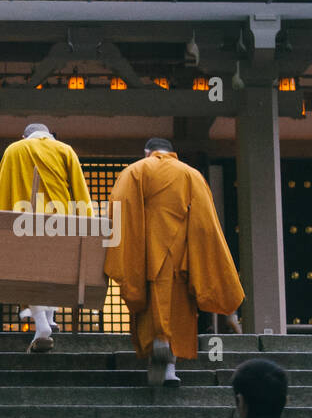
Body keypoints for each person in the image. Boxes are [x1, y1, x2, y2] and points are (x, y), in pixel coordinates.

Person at [104, 137, 244, 384]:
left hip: (144, 255)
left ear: (147, 152)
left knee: (149, 309)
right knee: (177, 312)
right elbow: (205, 224)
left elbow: (120, 207)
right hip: (180, 258)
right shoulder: (190, 175)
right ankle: (169, 366)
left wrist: (127, 250)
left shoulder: (135, 171)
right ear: (172, 152)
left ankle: (155, 353)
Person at [0, 123, 94, 352]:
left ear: (23, 135)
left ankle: (43, 324)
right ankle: (50, 318)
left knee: (28, 273)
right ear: (50, 135)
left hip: (22, 221)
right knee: (54, 271)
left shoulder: (14, 149)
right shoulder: (65, 150)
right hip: (60, 220)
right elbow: (79, 190)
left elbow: (2, 188)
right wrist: (87, 222)